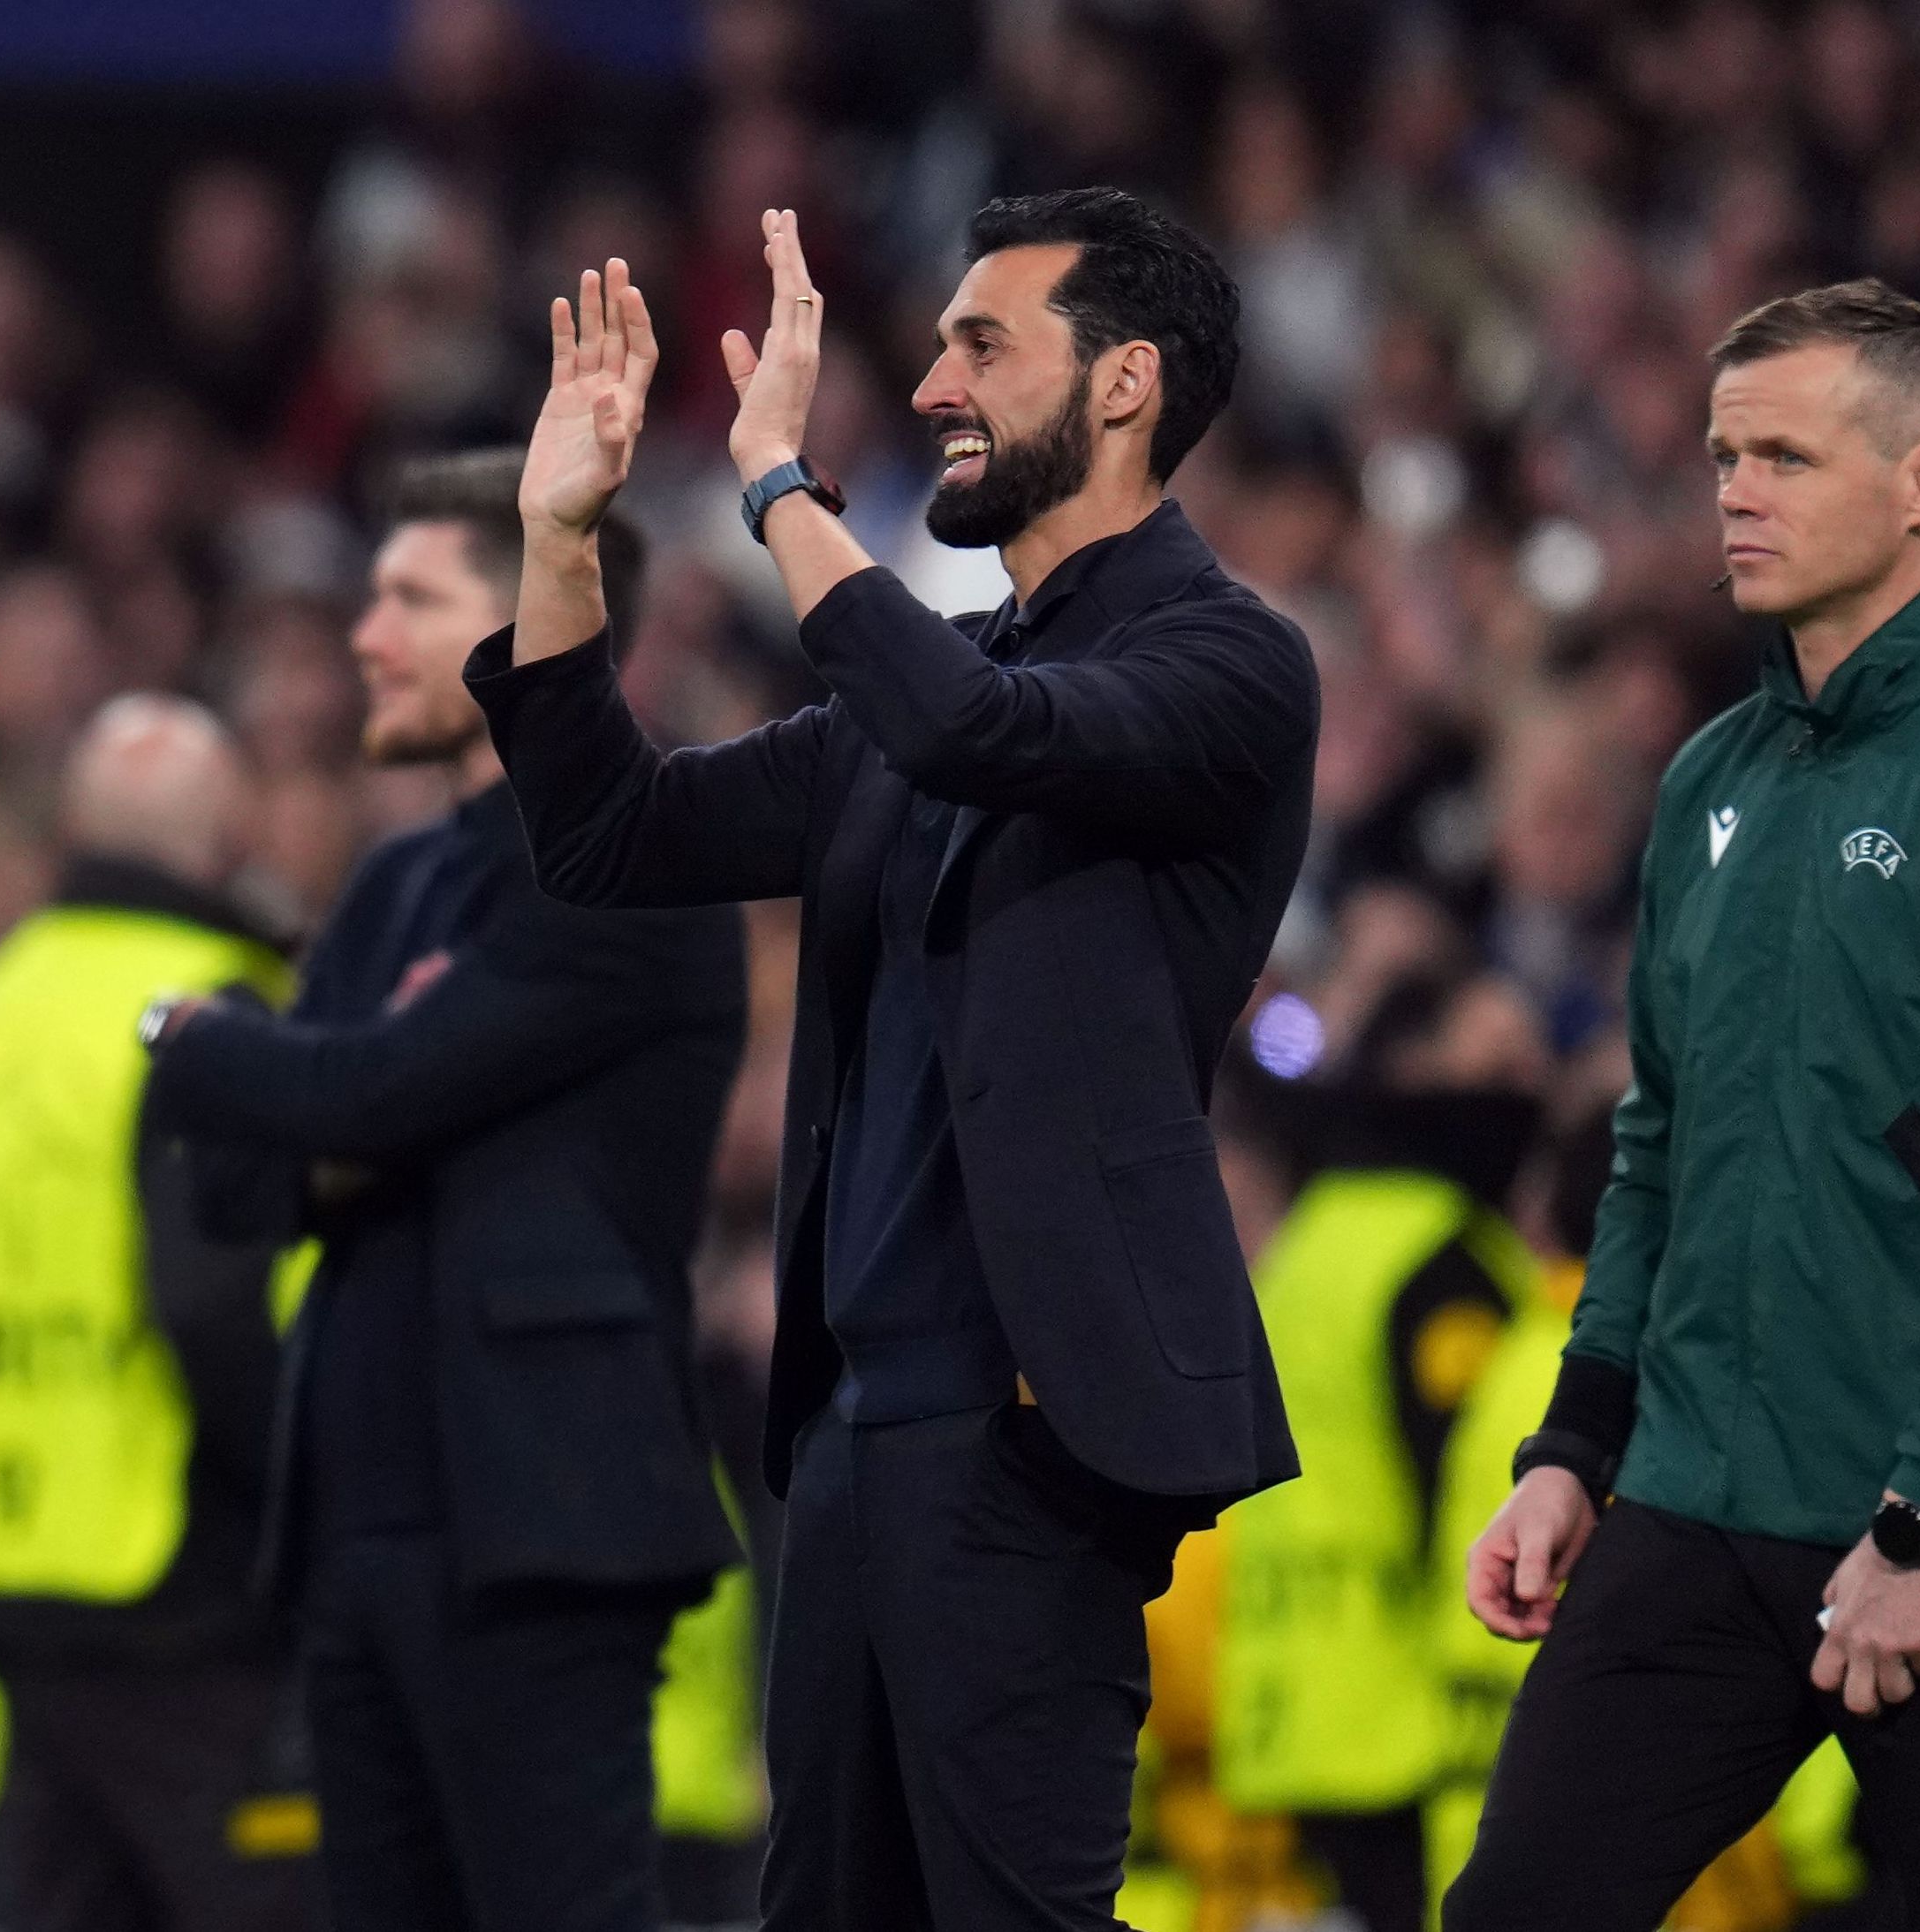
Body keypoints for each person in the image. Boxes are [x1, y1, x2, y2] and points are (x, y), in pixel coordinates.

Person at [468, 187, 1316, 1928]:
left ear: (1128, 383)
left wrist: (779, 485)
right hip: (854, 1423)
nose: (935, 385)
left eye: (982, 344)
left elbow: (976, 733)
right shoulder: (923, 690)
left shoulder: (1228, 659)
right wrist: (559, 543)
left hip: (1028, 1427)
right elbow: (611, 832)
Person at [1450, 282, 1920, 1930]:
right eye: (1723, 455)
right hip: (1695, 1502)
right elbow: (1657, 1147)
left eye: (1783, 456)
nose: (1735, 491)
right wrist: (1576, 1445)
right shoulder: (1707, 780)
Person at [141, 450, 748, 1932]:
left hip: (539, 1519)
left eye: (409, 598)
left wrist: (198, 1035)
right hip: (353, 1524)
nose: (365, 637)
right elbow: (240, 1181)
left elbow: (354, 1095)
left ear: (538, 610)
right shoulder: (394, 884)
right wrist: (356, 1083)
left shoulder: (635, 857)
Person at [0, 694, 311, 1932]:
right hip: (173, 1571)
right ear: (229, 839)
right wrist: (299, 1491)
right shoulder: (208, 1006)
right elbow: (212, 1302)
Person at [1216, 967, 1547, 1931]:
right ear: (1413, 1067)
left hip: (1288, 1704)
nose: (1522, 1087)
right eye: (1496, 1063)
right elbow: (1469, 1484)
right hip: (1401, 1722)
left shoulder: (1310, 1239)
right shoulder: (1436, 1252)